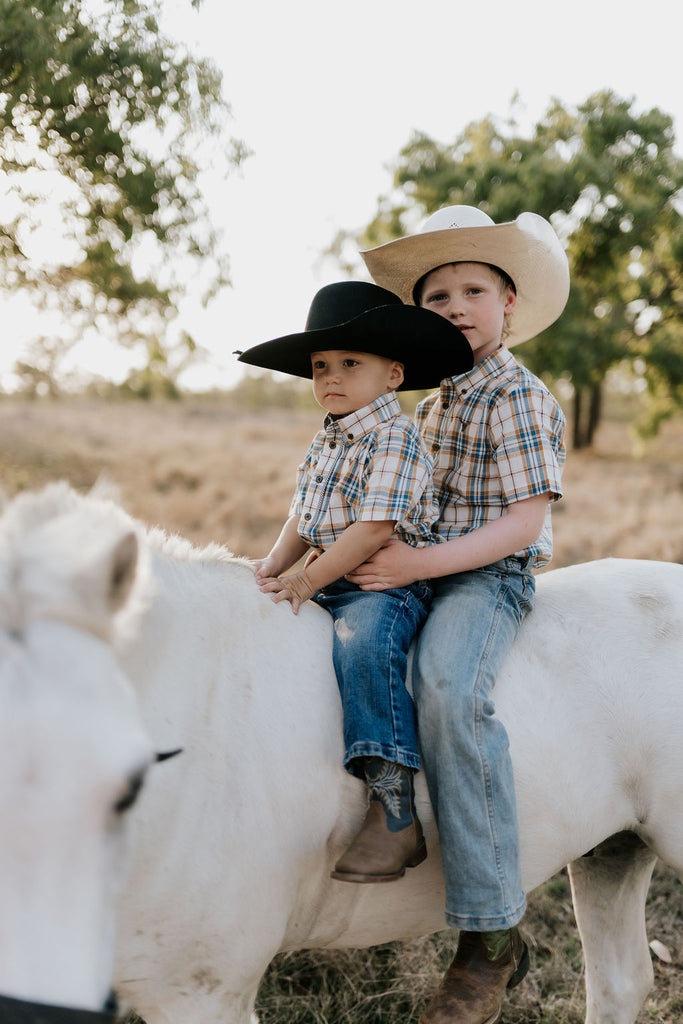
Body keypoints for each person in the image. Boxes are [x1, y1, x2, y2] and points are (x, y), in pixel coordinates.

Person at [352, 206, 570, 1024]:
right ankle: (385, 813)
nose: (453, 304)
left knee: (448, 686)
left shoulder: (517, 395)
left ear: (508, 302)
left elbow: (522, 523)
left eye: (472, 288)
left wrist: (415, 565)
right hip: (419, 566)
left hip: (486, 578)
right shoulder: (429, 402)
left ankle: (489, 935)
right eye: (436, 293)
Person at [236, 280, 472, 884]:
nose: (331, 378)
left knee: (363, 645)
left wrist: (305, 583)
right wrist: (269, 570)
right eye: (320, 366)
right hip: (330, 570)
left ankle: (393, 806)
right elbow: (304, 514)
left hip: (382, 584)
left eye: (349, 364)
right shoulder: (330, 433)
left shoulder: (394, 437)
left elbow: (372, 530)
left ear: (393, 375)